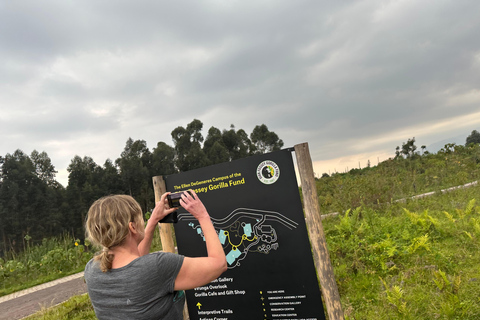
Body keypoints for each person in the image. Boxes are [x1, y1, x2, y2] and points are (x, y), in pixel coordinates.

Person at [84, 190, 227, 320]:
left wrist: (153, 220)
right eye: (140, 218)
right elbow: (218, 264)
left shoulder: (92, 270)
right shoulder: (158, 266)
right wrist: (202, 215)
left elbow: (135, 264)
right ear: (132, 227)